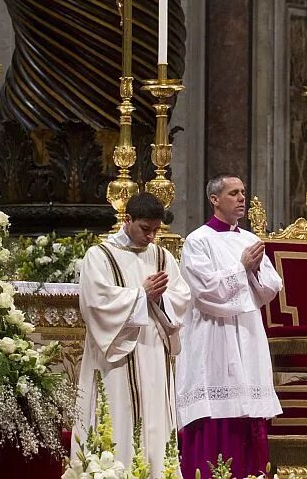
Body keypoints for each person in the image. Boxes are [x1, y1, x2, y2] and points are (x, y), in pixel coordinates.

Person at [73, 193, 191, 477]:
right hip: (117, 353)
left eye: (155, 230)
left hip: (153, 351)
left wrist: (160, 299)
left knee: (154, 420)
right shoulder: (99, 256)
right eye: (145, 229)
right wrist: (141, 295)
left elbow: (181, 296)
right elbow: (95, 303)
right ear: (127, 221)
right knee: (117, 416)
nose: (151, 237)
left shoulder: (162, 256)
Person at [175, 174, 284, 479]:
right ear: (214, 199)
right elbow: (205, 292)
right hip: (213, 334)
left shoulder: (250, 240)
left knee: (247, 404)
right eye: (233, 193)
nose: (241, 199)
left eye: (243, 193)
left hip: (247, 333)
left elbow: (270, 288)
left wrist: (252, 271)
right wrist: (241, 268)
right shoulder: (197, 241)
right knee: (216, 404)